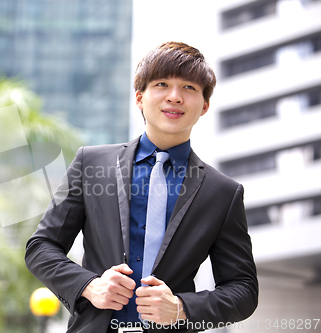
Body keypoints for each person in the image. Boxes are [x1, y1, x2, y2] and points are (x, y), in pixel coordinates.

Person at [25, 42, 258, 332]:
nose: (175, 97)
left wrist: (181, 308)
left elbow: (244, 290)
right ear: (139, 97)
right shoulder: (92, 164)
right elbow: (40, 247)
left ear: (205, 106)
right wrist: (89, 285)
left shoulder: (223, 192)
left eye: (189, 88)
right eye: (162, 84)